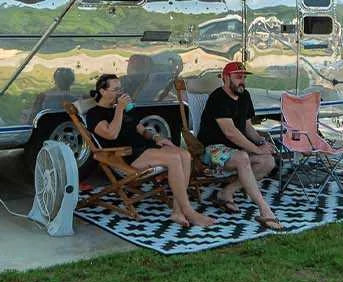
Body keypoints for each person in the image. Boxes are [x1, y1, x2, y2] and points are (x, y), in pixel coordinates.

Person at [84, 73, 216, 228]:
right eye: (115, 90)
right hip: (126, 155)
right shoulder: (94, 114)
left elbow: (141, 128)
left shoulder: (123, 108)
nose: (120, 93)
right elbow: (111, 134)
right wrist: (119, 109)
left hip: (145, 147)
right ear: (102, 91)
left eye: (120, 89)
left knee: (184, 155)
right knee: (174, 159)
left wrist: (156, 137)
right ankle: (188, 211)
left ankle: (177, 211)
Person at [198, 62, 285, 230]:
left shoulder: (245, 96)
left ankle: (226, 192)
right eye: (238, 77)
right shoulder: (217, 98)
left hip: (236, 150)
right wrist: (256, 149)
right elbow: (230, 132)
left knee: (268, 161)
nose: (242, 81)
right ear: (226, 78)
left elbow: (247, 127)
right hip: (211, 150)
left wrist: (261, 142)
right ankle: (265, 210)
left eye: (244, 77)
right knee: (242, 157)